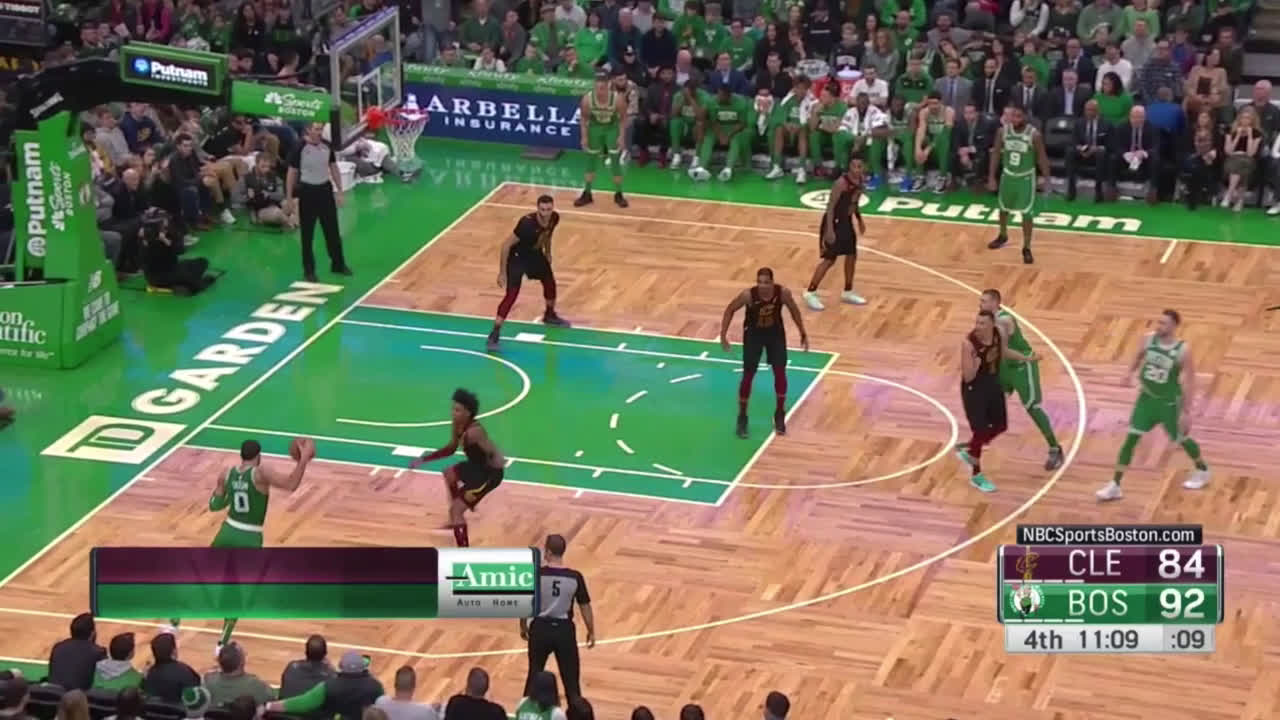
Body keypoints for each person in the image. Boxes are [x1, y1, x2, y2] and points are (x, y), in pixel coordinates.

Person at [168, 437, 315, 651]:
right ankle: (222, 644)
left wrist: (231, 493)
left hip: (227, 531)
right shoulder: (261, 472)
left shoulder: (226, 474)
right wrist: (303, 461)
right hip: (249, 537)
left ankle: (173, 622)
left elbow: (214, 505)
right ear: (258, 455)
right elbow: (291, 485)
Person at [1097, 310, 1211, 501]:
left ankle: (1202, 470)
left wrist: (1186, 412)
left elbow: (1190, 381)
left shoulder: (1182, 350)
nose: (1159, 326)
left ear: (1174, 326)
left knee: (1180, 439)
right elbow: (1137, 357)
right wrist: (1128, 373)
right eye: (1159, 322)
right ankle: (1115, 485)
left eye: (1164, 323)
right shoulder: (1148, 339)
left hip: (1169, 404)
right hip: (1146, 399)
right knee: (1130, 440)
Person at [408, 389, 505, 548]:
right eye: (453, 409)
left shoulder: (475, 432)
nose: (453, 413)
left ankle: (463, 551)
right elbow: (451, 449)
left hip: (488, 475)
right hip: (475, 466)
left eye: (457, 410)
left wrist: (497, 463)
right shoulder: (458, 426)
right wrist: (424, 459)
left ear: (468, 413)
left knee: (456, 510)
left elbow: (492, 452)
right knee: (449, 473)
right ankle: (457, 516)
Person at [720, 267, 810, 437]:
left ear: (772, 282)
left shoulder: (782, 293)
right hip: (754, 335)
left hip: (775, 334)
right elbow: (730, 309)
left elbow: (794, 310)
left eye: (766, 282)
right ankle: (742, 417)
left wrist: (802, 332)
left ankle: (779, 413)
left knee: (780, 373)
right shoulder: (748, 295)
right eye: (760, 282)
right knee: (748, 375)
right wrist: (723, 335)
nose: (762, 286)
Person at [980, 290, 1063, 470]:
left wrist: (1027, 359)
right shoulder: (986, 320)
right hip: (1005, 365)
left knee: (1032, 408)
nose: (981, 304)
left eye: (984, 301)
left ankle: (1055, 448)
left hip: (1022, 367)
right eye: (981, 301)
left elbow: (1003, 349)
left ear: (995, 303)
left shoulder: (1004, 320)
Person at [486, 194, 570, 352]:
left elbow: (547, 235)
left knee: (549, 281)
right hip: (517, 258)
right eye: (543, 209)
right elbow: (505, 246)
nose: (546, 213)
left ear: (552, 208)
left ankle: (549, 315)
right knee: (511, 295)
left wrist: (548, 252)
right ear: (537, 209)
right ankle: (494, 333)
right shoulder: (526, 224)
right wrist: (502, 273)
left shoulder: (554, 218)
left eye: (549, 209)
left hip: (534, 254)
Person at [520, 535, 594, 702]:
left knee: (534, 675)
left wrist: (523, 625)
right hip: (564, 631)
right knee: (571, 682)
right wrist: (591, 630)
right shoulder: (575, 577)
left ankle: (525, 712)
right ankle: (577, 711)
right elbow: (585, 606)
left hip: (540, 628)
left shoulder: (536, 575)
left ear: (548, 552)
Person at [286, 122, 350, 283]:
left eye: (321, 129)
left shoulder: (327, 146)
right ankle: (309, 271)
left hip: (325, 191)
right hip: (307, 192)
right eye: (316, 129)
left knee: (332, 231)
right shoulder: (299, 147)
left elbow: (333, 167)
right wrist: (289, 198)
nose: (320, 132)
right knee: (307, 235)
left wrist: (340, 190)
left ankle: (338, 264)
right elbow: (292, 173)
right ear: (308, 130)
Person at [804, 156, 868, 311]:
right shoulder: (841, 183)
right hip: (834, 222)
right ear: (849, 167)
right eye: (854, 166)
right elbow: (830, 207)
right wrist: (830, 230)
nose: (857, 169)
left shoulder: (861, 181)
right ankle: (810, 292)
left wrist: (859, 220)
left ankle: (848, 291)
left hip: (846, 222)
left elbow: (854, 203)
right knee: (829, 260)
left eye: (859, 166)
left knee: (851, 255)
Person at [956, 310, 1011, 492]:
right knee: (980, 430)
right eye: (977, 323)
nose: (978, 327)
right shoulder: (969, 343)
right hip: (974, 390)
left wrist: (1008, 380)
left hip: (992, 383)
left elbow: (1002, 355)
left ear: (992, 324)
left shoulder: (998, 333)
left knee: (1001, 426)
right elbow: (968, 376)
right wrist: (977, 364)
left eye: (982, 323)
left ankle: (971, 449)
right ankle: (976, 476)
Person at [986, 104, 1048, 264]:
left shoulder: (1034, 135)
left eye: (1018, 116)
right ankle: (1003, 235)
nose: (1015, 119)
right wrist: (991, 177)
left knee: (1026, 214)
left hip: (1025, 178)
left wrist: (1046, 178)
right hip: (1008, 176)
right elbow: (995, 155)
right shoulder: (1002, 132)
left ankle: (1026, 247)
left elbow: (1042, 158)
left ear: (1026, 117)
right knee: (1003, 209)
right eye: (1013, 116)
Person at [575, 70, 629, 208]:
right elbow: (584, 119)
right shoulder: (587, 99)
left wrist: (621, 136)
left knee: (615, 161)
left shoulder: (617, 99)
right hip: (595, 128)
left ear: (609, 85)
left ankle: (619, 194)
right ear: (594, 85)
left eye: (603, 85)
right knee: (591, 161)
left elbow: (623, 119)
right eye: (598, 85)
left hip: (612, 128)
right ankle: (587, 193)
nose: (600, 88)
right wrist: (584, 137)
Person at [47, 613, 106, 691]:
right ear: (92, 634)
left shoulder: (58, 647)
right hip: (77, 696)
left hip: (52, 694)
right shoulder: (97, 652)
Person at [374, 667, 441, 720]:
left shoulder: (380, 702)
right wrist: (431, 710)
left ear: (395, 685)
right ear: (413, 686)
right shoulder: (425, 712)